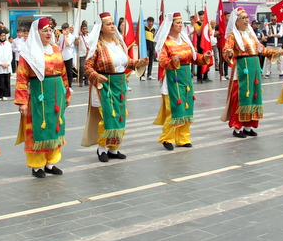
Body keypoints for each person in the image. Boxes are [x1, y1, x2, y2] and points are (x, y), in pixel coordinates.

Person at [81, 12, 149, 162]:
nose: (112, 26)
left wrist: (139, 62)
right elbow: (87, 67)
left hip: (119, 85)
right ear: (101, 28)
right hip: (103, 86)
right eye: (108, 24)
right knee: (107, 117)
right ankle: (102, 148)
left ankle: (113, 148)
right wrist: (96, 76)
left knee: (119, 117)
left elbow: (126, 63)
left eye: (113, 24)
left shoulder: (118, 44)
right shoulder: (96, 46)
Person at [14, 17, 72, 177]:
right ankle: (37, 165)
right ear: (36, 32)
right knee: (38, 127)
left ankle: (51, 162)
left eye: (50, 30)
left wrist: (66, 93)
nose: (48, 33)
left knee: (55, 126)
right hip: (38, 96)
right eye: (44, 30)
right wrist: (22, 102)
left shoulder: (56, 50)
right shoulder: (28, 53)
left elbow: (64, 73)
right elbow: (21, 78)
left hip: (56, 95)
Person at [221, 8, 283, 138]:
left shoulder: (251, 35)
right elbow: (226, 50)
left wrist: (278, 52)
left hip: (254, 68)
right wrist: (228, 53)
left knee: (253, 95)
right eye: (244, 18)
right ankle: (237, 127)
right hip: (242, 69)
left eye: (247, 18)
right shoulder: (232, 35)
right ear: (236, 21)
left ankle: (248, 126)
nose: (247, 20)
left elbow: (261, 49)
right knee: (240, 96)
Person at [152, 12, 212, 150]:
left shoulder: (186, 42)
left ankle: (183, 138)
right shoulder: (166, 43)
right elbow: (162, 61)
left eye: (181, 23)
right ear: (170, 25)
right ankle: (167, 138)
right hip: (173, 78)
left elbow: (194, 57)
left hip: (186, 78)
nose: (180, 25)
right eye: (177, 23)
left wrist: (205, 56)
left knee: (186, 107)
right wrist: (171, 61)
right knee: (172, 109)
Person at [263, 14, 283, 78]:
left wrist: (272, 35)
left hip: (278, 45)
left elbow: (280, 34)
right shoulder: (268, 26)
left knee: (280, 59)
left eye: (274, 20)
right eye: (272, 20)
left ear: (276, 19)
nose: (273, 21)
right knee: (268, 60)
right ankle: (267, 72)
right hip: (270, 45)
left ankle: (281, 73)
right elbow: (268, 34)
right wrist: (269, 27)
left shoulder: (280, 26)